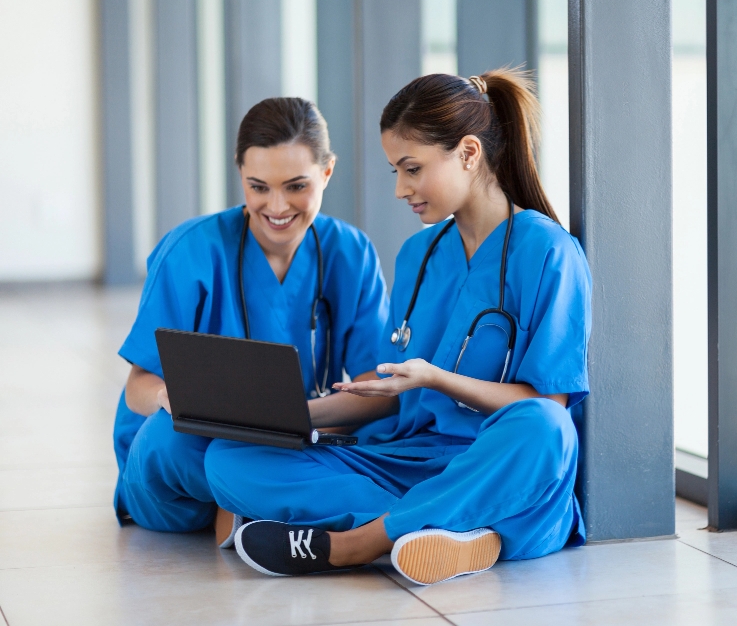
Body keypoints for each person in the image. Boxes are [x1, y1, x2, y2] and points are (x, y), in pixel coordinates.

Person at [205, 68, 593, 585]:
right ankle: (447, 528)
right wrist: (277, 416)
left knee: (546, 432)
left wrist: (436, 378)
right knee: (229, 458)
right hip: (408, 458)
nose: (400, 189)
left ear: (469, 154)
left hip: (492, 458)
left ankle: (355, 543)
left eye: (411, 169)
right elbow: (390, 395)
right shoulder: (419, 254)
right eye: (395, 171)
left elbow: (547, 404)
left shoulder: (549, 253)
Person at [113, 98, 390, 547]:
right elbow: (138, 386)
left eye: (296, 186)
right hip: (192, 451)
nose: (276, 206)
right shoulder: (190, 250)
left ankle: (256, 508)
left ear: (327, 172)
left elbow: (374, 390)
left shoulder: (351, 252)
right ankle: (282, 506)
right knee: (169, 440)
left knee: (390, 432)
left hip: (301, 435)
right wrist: (177, 400)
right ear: (240, 173)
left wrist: (299, 423)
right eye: (258, 187)